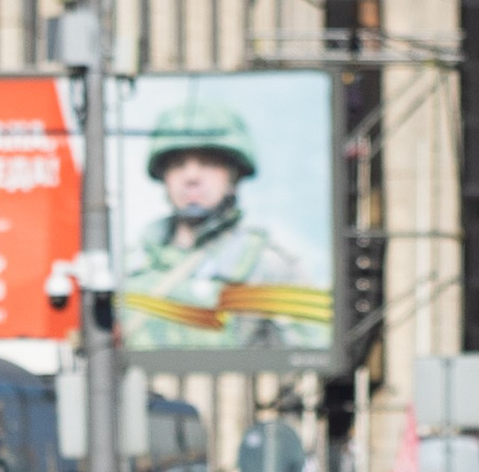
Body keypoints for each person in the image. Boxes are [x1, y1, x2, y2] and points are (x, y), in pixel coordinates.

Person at [120, 99, 333, 351]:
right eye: (178, 165)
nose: (191, 177)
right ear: (164, 176)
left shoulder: (266, 267)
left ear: (233, 176)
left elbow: (314, 356)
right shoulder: (129, 267)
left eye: (208, 163)